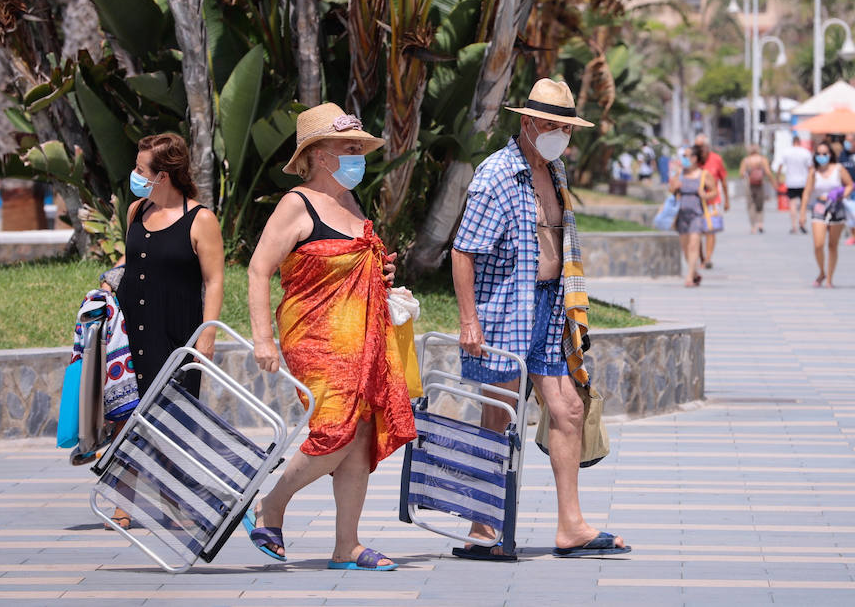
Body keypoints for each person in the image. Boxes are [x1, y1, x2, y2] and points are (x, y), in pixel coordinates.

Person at [452, 78, 630, 561]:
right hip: (505, 308)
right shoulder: (496, 175)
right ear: (527, 122)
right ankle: (482, 528)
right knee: (498, 417)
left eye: (565, 127)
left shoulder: (554, 170)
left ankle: (570, 526)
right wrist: (469, 322)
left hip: (551, 307)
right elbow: (463, 252)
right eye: (551, 125)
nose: (559, 134)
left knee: (568, 408)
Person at [244, 103, 414, 567]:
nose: (358, 154)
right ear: (319, 154)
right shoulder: (295, 204)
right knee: (335, 432)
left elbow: (346, 263)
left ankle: (347, 546)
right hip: (317, 339)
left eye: (360, 147)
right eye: (348, 147)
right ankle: (271, 504)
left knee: (359, 438)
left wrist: (379, 270)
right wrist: (262, 338)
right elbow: (259, 270)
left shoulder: (352, 204)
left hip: (364, 337)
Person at [98, 133, 225, 533]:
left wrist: (206, 337)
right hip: (130, 329)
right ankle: (124, 498)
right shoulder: (137, 209)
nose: (134, 175)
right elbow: (134, 257)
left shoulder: (200, 219)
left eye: (140, 170)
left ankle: (174, 499)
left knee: (170, 421)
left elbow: (215, 280)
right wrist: (106, 283)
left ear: (164, 175)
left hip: (176, 333)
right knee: (126, 415)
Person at [799, 141, 854, 288]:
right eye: (819, 154)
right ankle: (821, 271)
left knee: (832, 245)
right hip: (819, 206)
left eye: (825, 154)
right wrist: (802, 213)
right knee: (818, 244)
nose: (822, 157)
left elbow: (850, 184)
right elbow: (806, 193)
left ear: (830, 155)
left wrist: (842, 194)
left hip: (836, 206)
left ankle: (829, 277)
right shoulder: (813, 172)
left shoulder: (838, 169)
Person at [670, 145, 718, 286]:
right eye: (683, 156)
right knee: (685, 247)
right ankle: (694, 271)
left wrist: (705, 194)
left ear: (695, 158)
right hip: (681, 214)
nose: (684, 159)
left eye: (687, 156)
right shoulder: (679, 173)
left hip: (697, 214)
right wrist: (675, 187)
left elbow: (714, 191)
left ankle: (689, 277)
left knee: (694, 245)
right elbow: (671, 190)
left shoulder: (704, 174)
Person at [695, 134, 729, 267]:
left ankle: (708, 258)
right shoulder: (693, 160)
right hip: (695, 202)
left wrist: (727, 201)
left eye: (700, 147)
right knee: (696, 231)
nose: (698, 150)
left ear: (707, 147)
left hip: (713, 201)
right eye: (696, 147)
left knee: (710, 229)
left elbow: (723, 180)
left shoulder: (716, 159)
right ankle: (701, 257)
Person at [738, 144, 775, 234]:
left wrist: (749, 174)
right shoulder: (762, 159)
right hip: (760, 183)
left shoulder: (746, 160)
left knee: (751, 205)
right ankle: (760, 224)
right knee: (760, 204)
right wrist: (773, 182)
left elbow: (741, 173)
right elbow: (768, 172)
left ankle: (753, 226)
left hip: (749, 184)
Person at [779, 134, 812, 234]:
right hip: (803, 181)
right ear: (799, 142)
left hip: (791, 181)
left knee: (792, 203)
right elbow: (811, 168)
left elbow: (780, 165)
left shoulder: (787, 152)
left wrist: (778, 177)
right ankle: (802, 223)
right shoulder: (805, 152)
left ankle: (794, 226)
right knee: (803, 204)